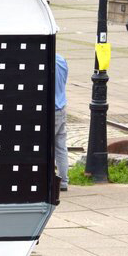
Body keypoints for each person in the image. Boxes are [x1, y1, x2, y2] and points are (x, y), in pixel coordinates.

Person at [54, 53, 69, 192]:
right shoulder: (61, 60)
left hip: (49, 110)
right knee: (60, 147)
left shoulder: (43, 62)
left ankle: (45, 178)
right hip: (61, 107)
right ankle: (63, 180)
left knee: (44, 148)